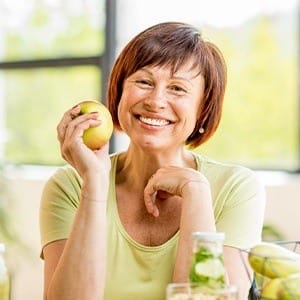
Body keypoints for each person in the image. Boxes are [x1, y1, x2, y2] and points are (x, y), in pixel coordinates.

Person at [39, 21, 265, 300]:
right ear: (119, 91)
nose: (156, 101)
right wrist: (94, 187)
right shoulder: (70, 186)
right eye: (144, 82)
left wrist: (195, 192)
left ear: (203, 109)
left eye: (178, 89)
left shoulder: (236, 188)